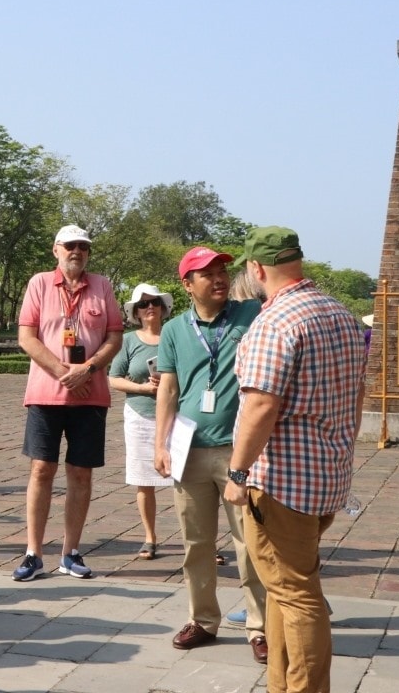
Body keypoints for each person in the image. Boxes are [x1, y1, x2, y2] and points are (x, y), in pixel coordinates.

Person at [224, 226, 366, 693]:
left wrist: (237, 472)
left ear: (256, 268)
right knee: (286, 592)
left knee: (296, 594)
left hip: (282, 481)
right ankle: (280, 685)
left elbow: (261, 405)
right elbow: (357, 394)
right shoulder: (340, 314)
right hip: (326, 477)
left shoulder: (276, 320)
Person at [154, 246, 267, 664]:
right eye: (208, 273)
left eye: (222, 270)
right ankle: (202, 620)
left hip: (241, 452)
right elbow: (168, 388)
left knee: (249, 543)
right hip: (189, 450)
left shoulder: (250, 315)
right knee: (196, 543)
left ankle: (259, 626)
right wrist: (160, 444)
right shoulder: (174, 331)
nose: (220, 278)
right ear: (187, 285)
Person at [12, 225, 123, 581]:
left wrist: (87, 369)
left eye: (84, 247)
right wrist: (64, 371)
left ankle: (71, 551)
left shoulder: (102, 286)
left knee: (80, 472)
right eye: (71, 245)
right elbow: (27, 337)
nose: (78, 251)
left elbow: (114, 336)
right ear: (56, 249)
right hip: (47, 392)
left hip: (90, 394)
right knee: (42, 469)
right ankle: (33, 552)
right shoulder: (40, 284)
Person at [108, 283, 173, 561]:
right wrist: (144, 388)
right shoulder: (128, 341)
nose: (150, 308)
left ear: (163, 308)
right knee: (144, 480)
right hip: (140, 413)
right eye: (143, 304)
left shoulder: (175, 336)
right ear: (136, 311)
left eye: (154, 303)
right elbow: (114, 377)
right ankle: (150, 537)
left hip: (174, 414)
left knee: (188, 481)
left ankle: (199, 541)